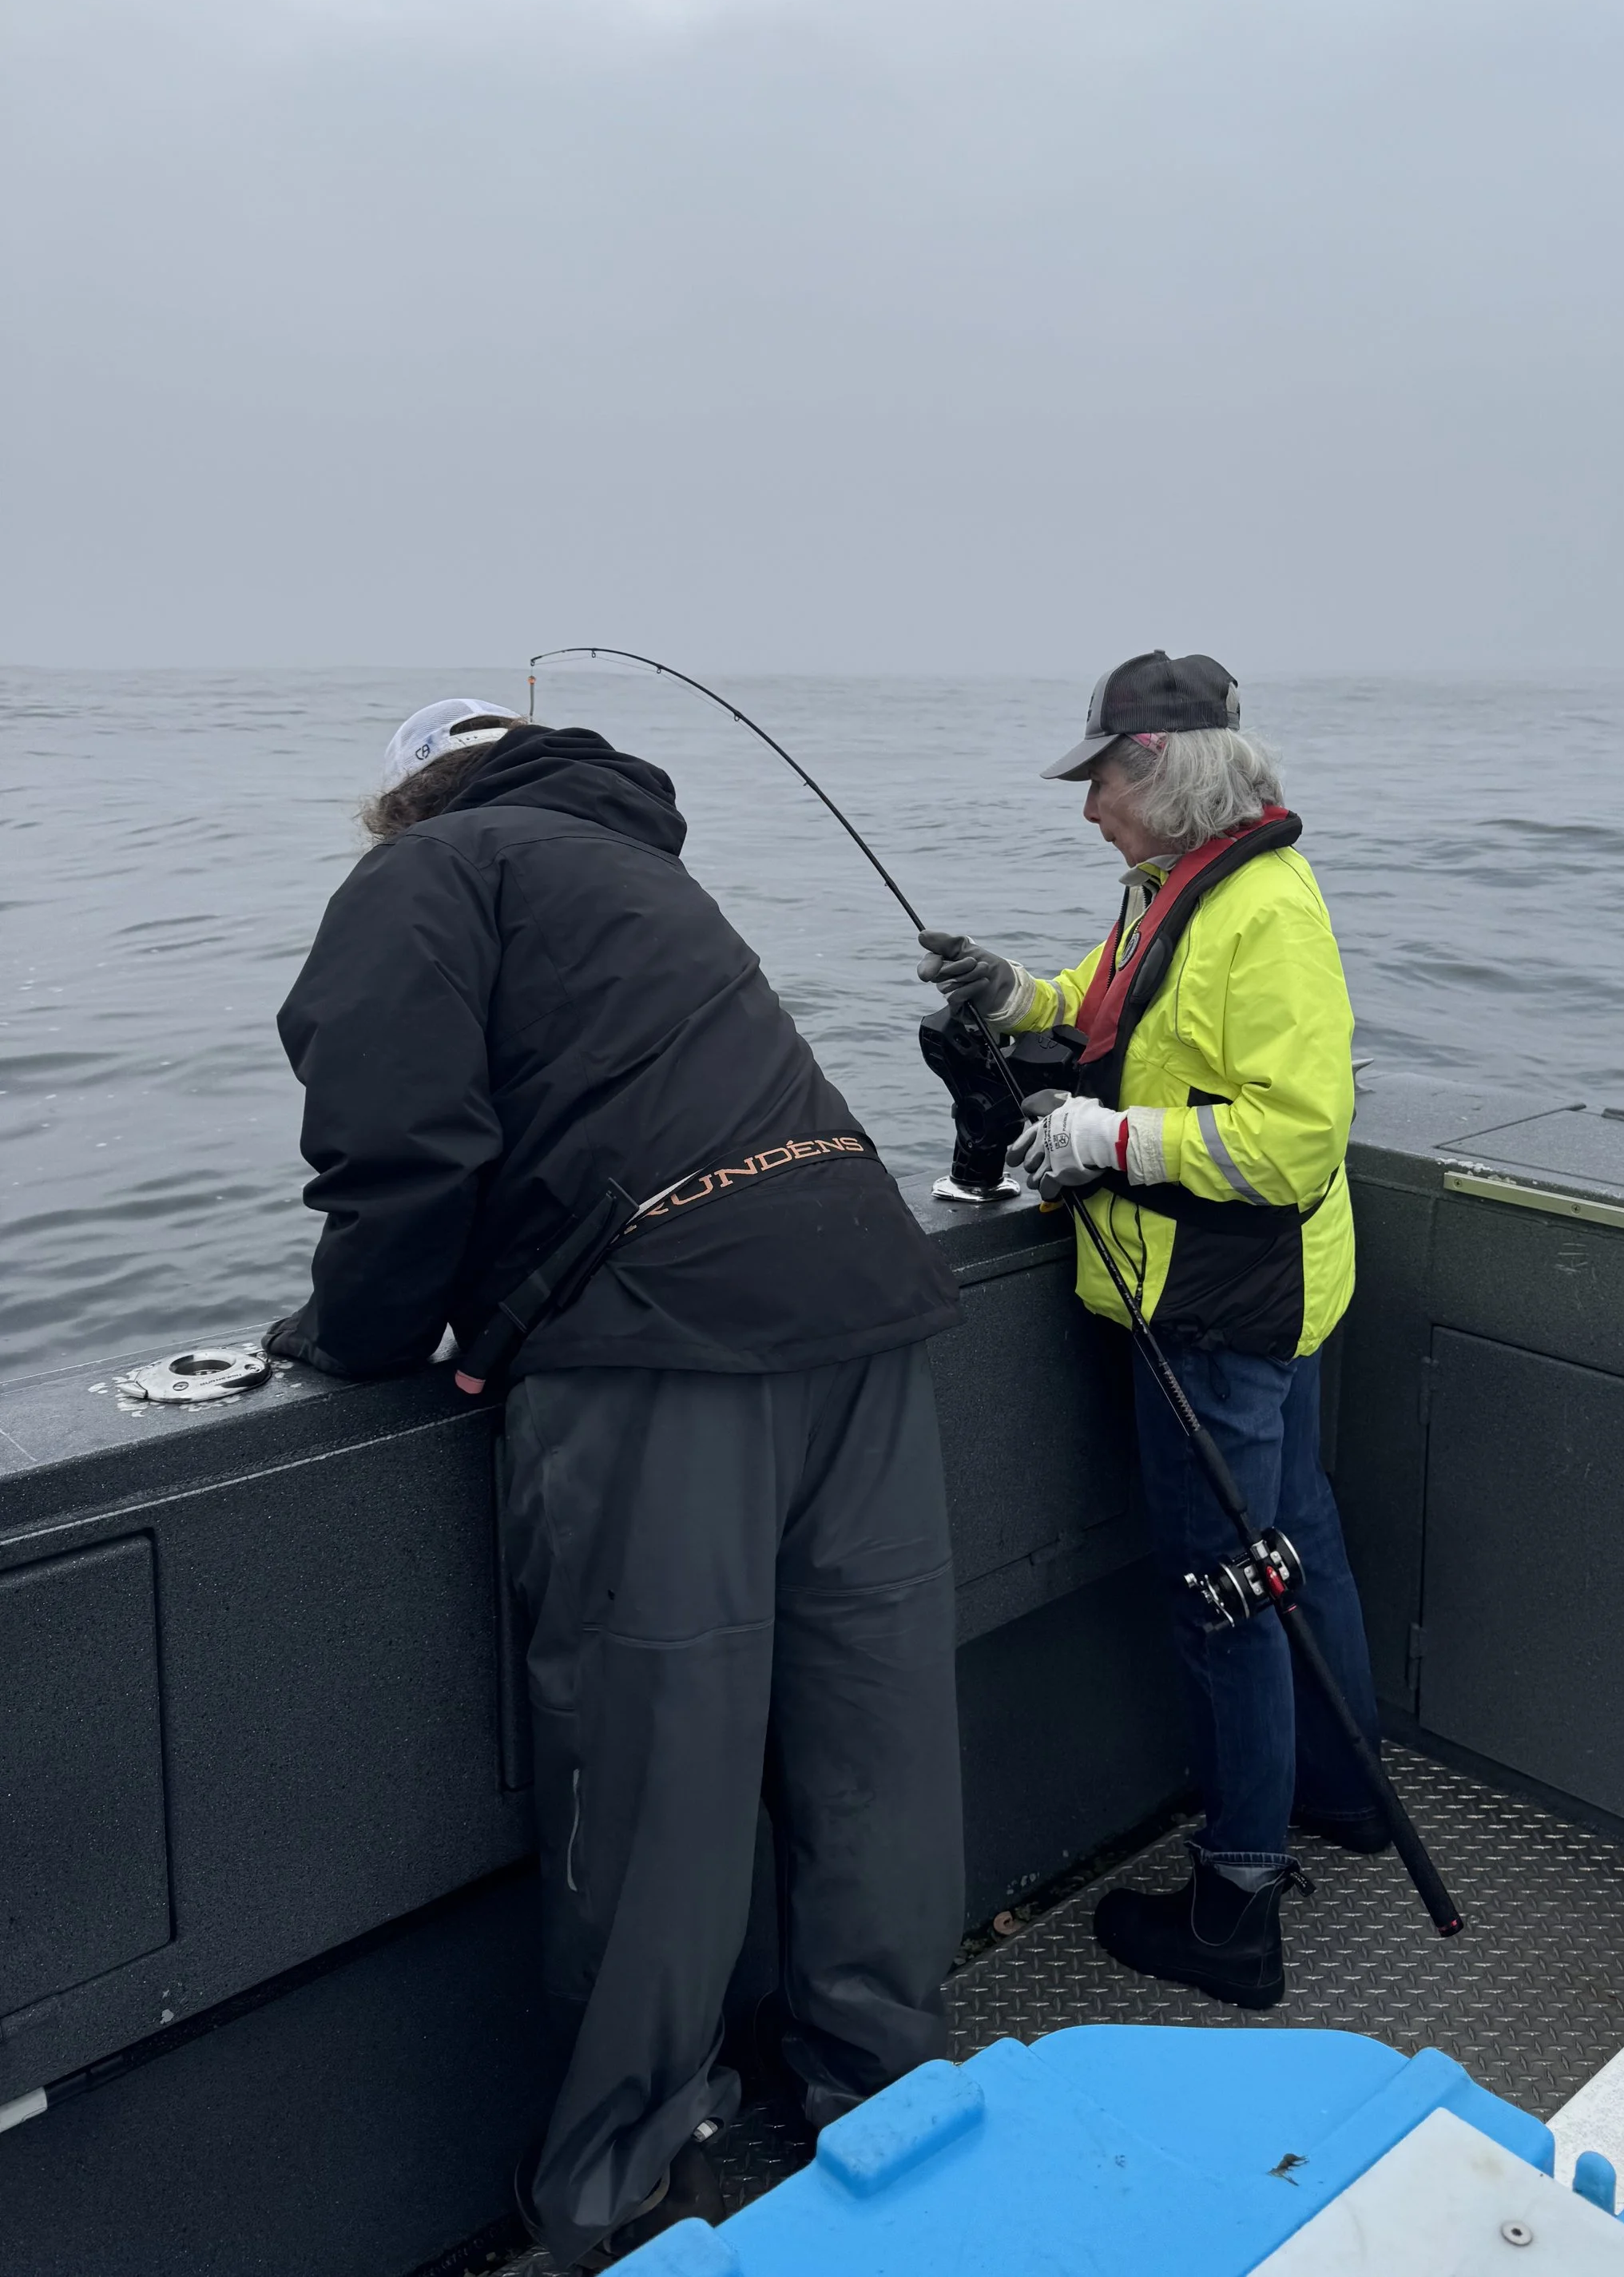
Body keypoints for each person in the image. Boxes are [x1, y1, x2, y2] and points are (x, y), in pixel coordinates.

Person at [268, 697, 965, 2274]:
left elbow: (397, 1145)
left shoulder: (427, 871)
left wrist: (356, 1333)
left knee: (658, 1777)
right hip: (861, 1294)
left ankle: (617, 2184)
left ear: (404, 800)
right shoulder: (645, 875)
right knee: (877, 1735)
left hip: (662, 1338)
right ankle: (883, 2075)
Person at [918, 650, 1382, 2012]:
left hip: (1220, 1305)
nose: (1088, 811)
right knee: (1302, 1546)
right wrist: (1020, 995)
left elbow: (1297, 1138)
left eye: (1102, 780)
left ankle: (1237, 1906)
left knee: (1225, 1594)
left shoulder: (1267, 911)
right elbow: (1118, 1006)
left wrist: (1108, 1135)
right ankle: (1341, 1796)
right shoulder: (1177, 887)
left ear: (1165, 770)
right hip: (1263, 1297)